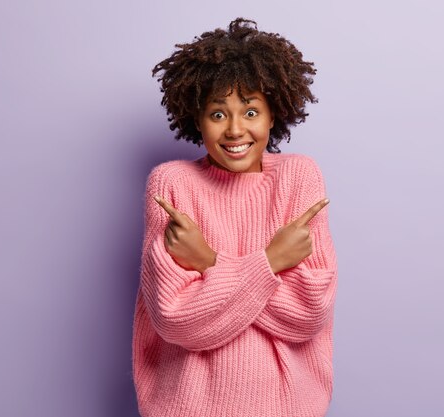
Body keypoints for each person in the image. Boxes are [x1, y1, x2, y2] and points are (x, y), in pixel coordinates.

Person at [133, 17, 338, 417]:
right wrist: (273, 262)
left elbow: (308, 313)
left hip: (287, 406)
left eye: (250, 111)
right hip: (187, 407)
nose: (234, 130)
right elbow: (177, 320)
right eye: (217, 114)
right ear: (197, 119)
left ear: (273, 115)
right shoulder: (172, 184)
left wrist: (208, 263)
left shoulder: (299, 178)